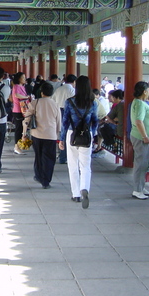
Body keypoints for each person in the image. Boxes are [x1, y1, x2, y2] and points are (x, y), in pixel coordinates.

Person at [58, 75, 98, 208]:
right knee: (85, 166)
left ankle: (75, 194)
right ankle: (84, 188)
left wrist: (62, 139)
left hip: (71, 133)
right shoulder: (93, 103)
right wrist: (93, 134)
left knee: (73, 164)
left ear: (77, 86)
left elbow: (65, 122)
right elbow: (95, 121)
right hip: (87, 135)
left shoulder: (70, 102)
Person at [22, 81, 61, 189]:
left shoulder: (35, 103)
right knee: (49, 158)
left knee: (38, 156)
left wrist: (24, 133)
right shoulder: (55, 104)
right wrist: (57, 135)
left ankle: (38, 175)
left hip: (37, 134)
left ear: (41, 92)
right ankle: (46, 181)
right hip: (51, 135)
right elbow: (58, 122)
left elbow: (27, 119)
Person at [129, 81, 149, 200]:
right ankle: (137, 189)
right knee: (141, 163)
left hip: (142, 137)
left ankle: (141, 186)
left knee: (144, 163)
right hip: (141, 138)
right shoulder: (140, 104)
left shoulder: (138, 102)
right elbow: (139, 121)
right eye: (148, 90)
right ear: (144, 91)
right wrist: (145, 136)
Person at [52, 74, 76, 164]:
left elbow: (52, 100)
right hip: (68, 112)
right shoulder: (72, 90)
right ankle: (64, 156)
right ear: (74, 82)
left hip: (58, 111)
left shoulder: (59, 89)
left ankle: (62, 155)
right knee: (67, 134)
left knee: (61, 134)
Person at [11, 72, 31, 155]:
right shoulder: (16, 86)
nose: (24, 79)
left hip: (23, 110)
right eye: (23, 77)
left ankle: (19, 145)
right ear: (19, 78)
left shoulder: (22, 87)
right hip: (18, 110)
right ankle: (16, 147)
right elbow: (16, 95)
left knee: (22, 128)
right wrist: (27, 97)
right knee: (19, 129)